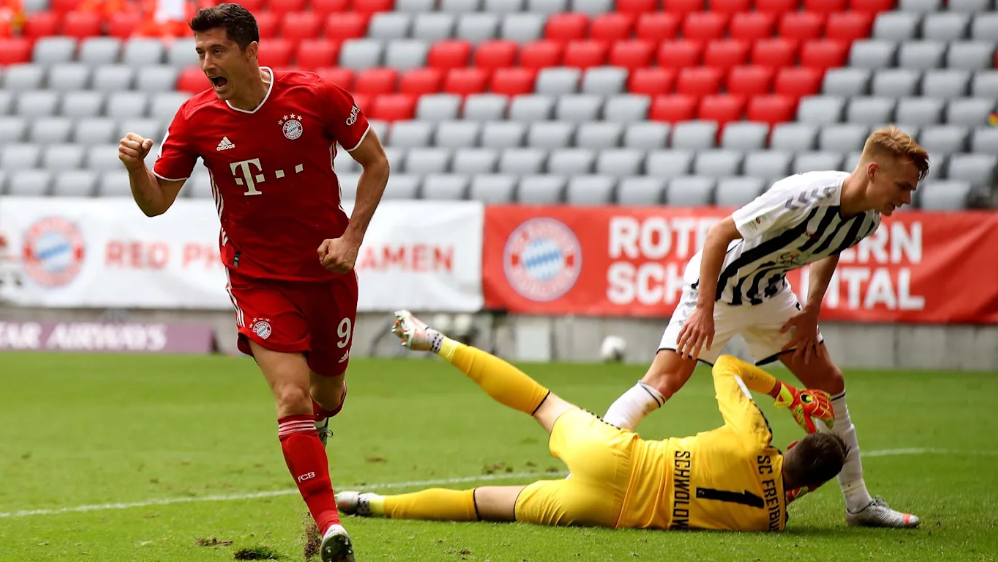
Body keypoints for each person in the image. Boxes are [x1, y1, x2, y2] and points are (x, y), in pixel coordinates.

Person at [117, 4, 390, 561]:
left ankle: (320, 429)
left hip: (326, 271)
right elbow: (155, 204)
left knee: (326, 397)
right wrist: (135, 170)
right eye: (199, 54)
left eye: (217, 51)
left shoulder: (314, 96)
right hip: (256, 277)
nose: (207, 63)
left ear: (249, 50)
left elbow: (377, 163)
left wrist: (352, 241)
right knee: (290, 395)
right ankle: (330, 525)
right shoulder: (195, 118)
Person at [601, 126, 928, 529]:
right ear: (874, 171)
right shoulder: (803, 196)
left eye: (911, 189)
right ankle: (596, 463)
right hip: (719, 289)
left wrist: (811, 310)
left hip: (770, 296)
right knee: (664, 382)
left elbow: (830, 248)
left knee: (829, 382)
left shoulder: (869, 219)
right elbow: (718, 233)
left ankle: (858, 504)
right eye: (902, 186)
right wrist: (703, 308)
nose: (906, 198)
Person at [336, 311, 846, 533]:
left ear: (794, 445)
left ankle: (435, 341)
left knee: (537, 401)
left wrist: (787, 394)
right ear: (814, 485)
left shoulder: (757, 438)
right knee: (482, 506)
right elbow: (788, 488)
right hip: (607, 510)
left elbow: (730, 365)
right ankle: (367, 503)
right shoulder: (772, 521)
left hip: (615, 454)